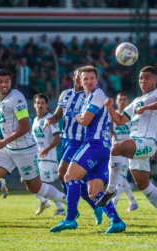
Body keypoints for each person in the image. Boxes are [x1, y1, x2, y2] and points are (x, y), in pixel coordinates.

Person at [0, 69, 66, 233]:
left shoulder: (16, 97)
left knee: (34, 187)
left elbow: (25, 127)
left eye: (7, 81)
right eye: (1, 82)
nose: (4, 85)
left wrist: (4, 142)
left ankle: (67, 200)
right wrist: (5, 143)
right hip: (9, 148)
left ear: (11, 82)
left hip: (24, 150)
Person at [96, 66, 157, 231]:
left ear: (155, 79)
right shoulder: (136, 101)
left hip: (148, 142)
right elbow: (119, 120)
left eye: (147, 77)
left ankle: (110, 191)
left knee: (115, 148)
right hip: (138, 143)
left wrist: (146, 108)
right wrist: (110, 107)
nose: (143, 81)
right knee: (142, 184)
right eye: (140, 78)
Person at [49, 65, 125, 234]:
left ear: (97, 80)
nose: (89, 82)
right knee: (94, 191)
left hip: (94, 144)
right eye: (85, 79)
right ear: (80, 81)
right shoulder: (90, 96)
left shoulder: (96, 94)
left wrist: (77, 117)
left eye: (92, 78)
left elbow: (85, 120)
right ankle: (117, 222)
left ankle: (69, 219)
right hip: (103, 147)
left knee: (69, 176)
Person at [43, 68, 103, 225]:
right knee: (70, 179)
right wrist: (50, 119)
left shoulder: (89, 95)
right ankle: (95, 206)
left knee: (62, 173)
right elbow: (57, 115)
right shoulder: (65, 94)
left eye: (84, 78)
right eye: (79, 77)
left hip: (80, 140)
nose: (81, 80)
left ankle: (71, 213)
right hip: (66, 140)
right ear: (75, 78)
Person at [26, 93, 65, 216]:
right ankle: (44, 201)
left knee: (43, 184)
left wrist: (47, 149)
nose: (40, 105)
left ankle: (60, 207)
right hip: (37, 157)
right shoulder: (35, 120)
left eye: (42, 103)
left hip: (48, 158)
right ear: (34, 105)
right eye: (38, 103)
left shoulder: (50, 119)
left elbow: (58, 138)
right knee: (27, 180)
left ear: (46, 105)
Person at [110, 92, 139, 211]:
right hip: (114, 150)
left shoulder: (130, 117)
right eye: (119, 99)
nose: (122, 101)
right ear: (116, 102)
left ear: (127, 102)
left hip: (126, 151)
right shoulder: (112, 115)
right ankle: (133, 202)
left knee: (119, 177)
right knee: (121, 177)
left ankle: (113, 204)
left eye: (124, 99)